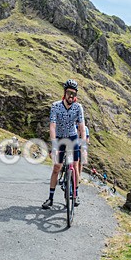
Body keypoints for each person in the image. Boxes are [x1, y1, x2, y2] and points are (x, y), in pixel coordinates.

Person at [42, 79, 87, 209]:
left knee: (75, 165)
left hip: (73, 137)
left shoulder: (78, 108)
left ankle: (76, 194)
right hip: (60, 137)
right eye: (69, 93)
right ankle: (50, 198)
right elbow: (52, 127)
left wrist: (83, 145)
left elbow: (82, 128)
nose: (71, 96)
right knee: (57, 167)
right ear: (64, 93)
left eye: (73, 93)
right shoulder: (55, 106)